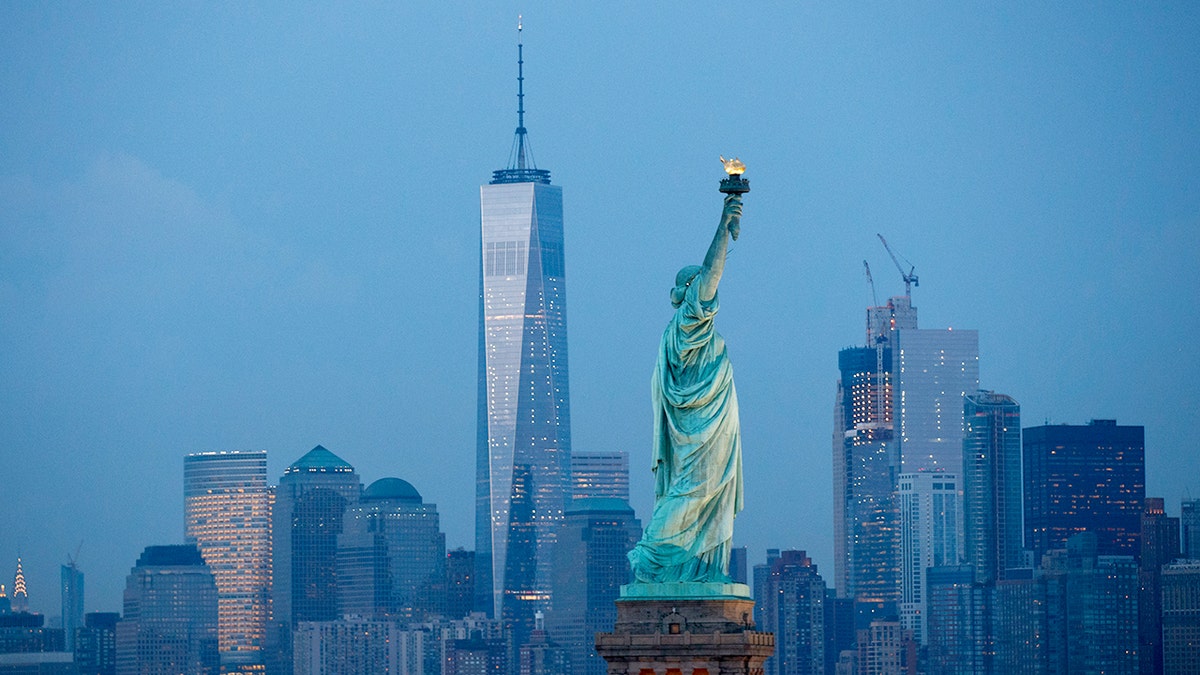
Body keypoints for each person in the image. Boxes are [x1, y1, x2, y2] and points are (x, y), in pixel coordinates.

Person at [628, 193, 744, 584]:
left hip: (706, 428)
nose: (712, 296)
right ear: (691, 292)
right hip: (699, 432)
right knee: (693, 494)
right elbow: (712, 273)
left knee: (701, 496)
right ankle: (651, 555)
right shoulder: (687, 325)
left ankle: (698, 568)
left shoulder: (686, 333)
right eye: (702, 290)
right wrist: (723, 227)